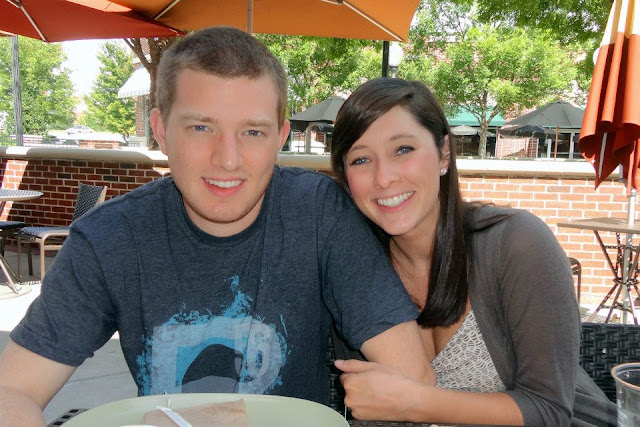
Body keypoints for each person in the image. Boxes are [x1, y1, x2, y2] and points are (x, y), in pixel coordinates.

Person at [0, 29, 433, 426]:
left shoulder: (321, 213)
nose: (227, 159)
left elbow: (412, 378)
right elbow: (13, 389)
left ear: (280, 137)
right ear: (160, 131)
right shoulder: (109, 239)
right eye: (201, 127)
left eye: (253, 132)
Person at [331, 78, 617, 426]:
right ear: (345, 178)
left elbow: (549, 411)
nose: (384, 177)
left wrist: (413, 402)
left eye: (403, 149)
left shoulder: (516, 244)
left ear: (444, 153)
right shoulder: (355, 275)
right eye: (361, 159)